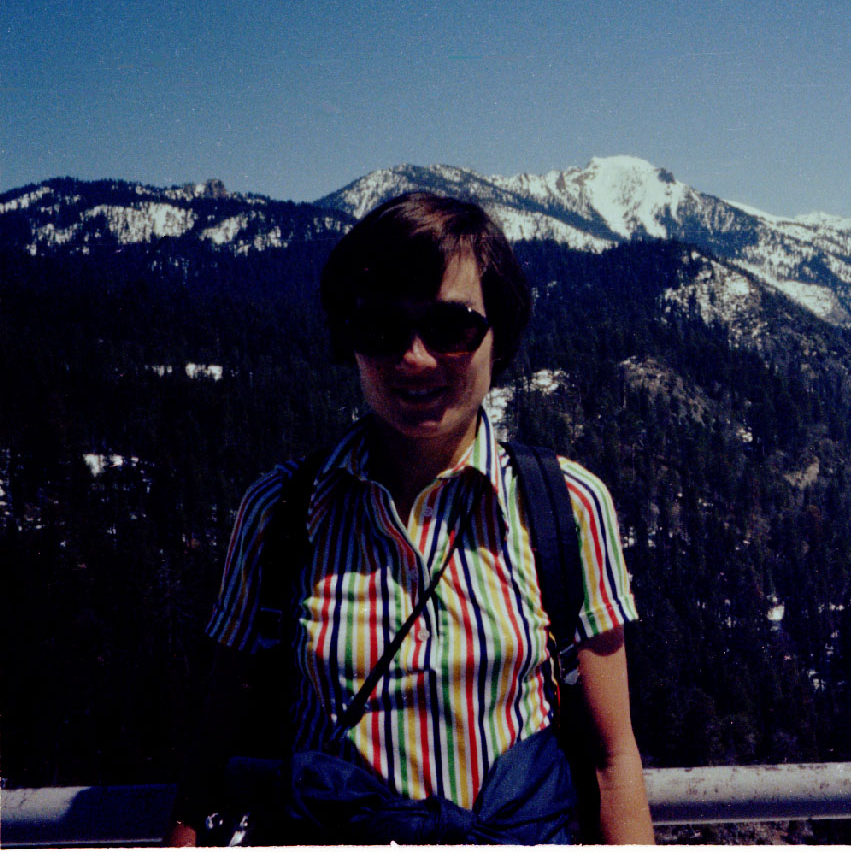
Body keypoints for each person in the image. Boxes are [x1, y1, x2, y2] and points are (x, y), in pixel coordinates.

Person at [166, 192, 653, 845]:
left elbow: (612, 759)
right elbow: (210, 752)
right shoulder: (279, 511)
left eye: (451, 329)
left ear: (497, 337)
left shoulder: (569, 506)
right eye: (382, 329)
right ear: (351, 342)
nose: (416, 358)